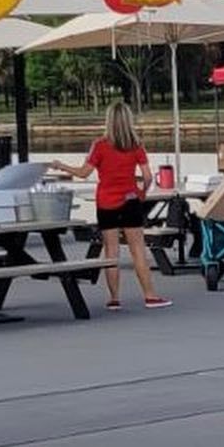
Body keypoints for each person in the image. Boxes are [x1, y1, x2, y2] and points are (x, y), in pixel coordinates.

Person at [51, 101, 171, 310]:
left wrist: (61, 166)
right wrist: (141, 193)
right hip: (130, 200)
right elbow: (147, 176)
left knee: (111, 252)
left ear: (108, 121)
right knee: (138, 250)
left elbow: (83, 173)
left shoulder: (99, 145)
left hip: (106, 202)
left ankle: (114, 299)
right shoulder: (136, 145)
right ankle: (150, 296)